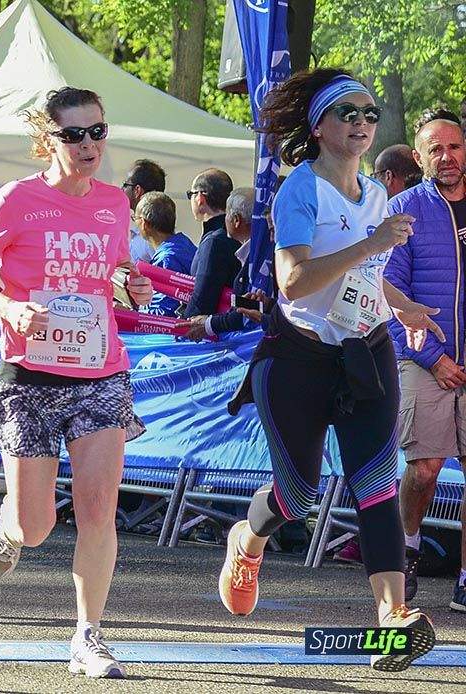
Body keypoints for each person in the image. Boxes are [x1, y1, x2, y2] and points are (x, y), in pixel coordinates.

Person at [223, 68, 443, 672]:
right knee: (298, 495)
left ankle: (392, 619)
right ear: (319, 127)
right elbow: (295, 280)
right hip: (299, 356)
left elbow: (363, 277)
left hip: (366, 350)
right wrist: (371, 245)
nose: (364, 123)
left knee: (378, 483)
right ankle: (249, 539)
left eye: (371, 114)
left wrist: (406, 307)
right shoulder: (300, 190)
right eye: (349, 114)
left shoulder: (374, 192)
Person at [0, 87, 153, 680]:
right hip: (29, 378)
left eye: (98, 131)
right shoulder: (18, 199)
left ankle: (88, 635)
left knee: (99, 511)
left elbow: (116, 268)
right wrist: (7, 308)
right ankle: (9, 525)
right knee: (36, 526)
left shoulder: (115, 203)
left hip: (99, 373)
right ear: (48, 139)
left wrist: (127, 286)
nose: (89, 145)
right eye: (74, 134)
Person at [384, 107, 466, 612]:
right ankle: (406, 551)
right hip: (423, 361)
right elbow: (385, 294)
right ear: (419, 157)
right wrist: (435, 358)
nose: (447, 157)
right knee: (425, 468)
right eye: (435, 149)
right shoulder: (403, 210)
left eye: (454, 146)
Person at [178, 187, 267, 338]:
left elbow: (205, 297)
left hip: (244, 344)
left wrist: (208, 324)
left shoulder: (217, 243)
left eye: (227, 214)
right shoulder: (253, 254)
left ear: (236, 220)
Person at [183, 168, 240, 319]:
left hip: (216, 333)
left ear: (200, 198)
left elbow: (203, 299)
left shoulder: (214, 241)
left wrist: (180, 328)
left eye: (191, 194)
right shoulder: (234, 232)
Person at [136, 191, 196, 317]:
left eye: (135, 218)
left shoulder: (166, 260)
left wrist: (133, 312)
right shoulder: (184, 243)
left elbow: (165, 312)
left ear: (144, 223)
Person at [121, 159, 168, 263]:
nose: (121, 189)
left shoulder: (153, 234)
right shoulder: (141, 230)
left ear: (137, 190)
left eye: (125, 185)